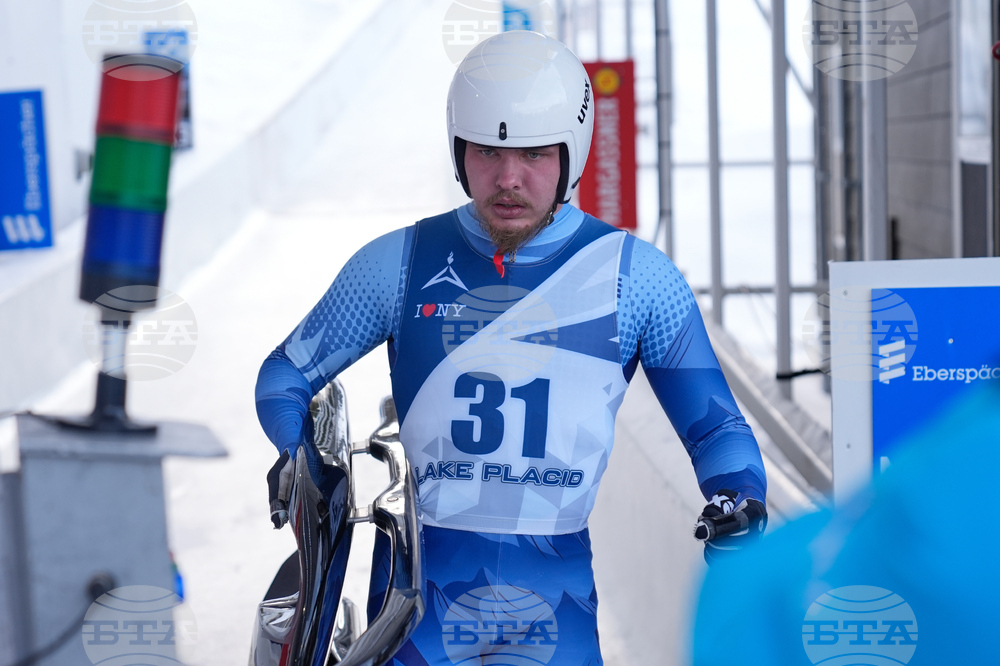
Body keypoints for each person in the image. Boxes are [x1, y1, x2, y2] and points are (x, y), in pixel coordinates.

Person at [256, 30, 767, 665]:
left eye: (532, 154)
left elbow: (716, 428)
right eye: (486, 151)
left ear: (571, 153)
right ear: (457, 150)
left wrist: (738, 498)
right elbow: (284, 375)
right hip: (416, 604)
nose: (507, 178)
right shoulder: (398, 263)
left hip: (555, 609)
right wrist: (294, 453)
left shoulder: (636, 281)